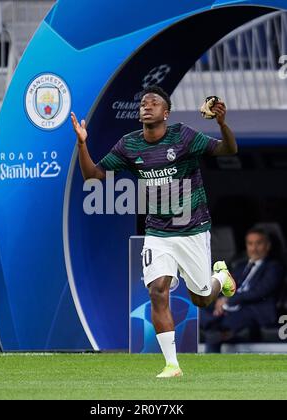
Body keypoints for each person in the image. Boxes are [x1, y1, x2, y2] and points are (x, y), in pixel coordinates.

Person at [71, 85, 238, 377]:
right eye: (143, 103)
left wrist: (222, 124)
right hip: (158, 232)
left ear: (166, 112)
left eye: (154, 102)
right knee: (157, 291)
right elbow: (93, 175)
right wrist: (82, 144)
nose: (146, 106)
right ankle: (172, 365)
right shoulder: (129, 145)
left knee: (200, 298)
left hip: (192, 230)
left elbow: (228, 149)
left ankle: (219, 276)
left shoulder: (183, 136)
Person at [201, 227, 285, 353]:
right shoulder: (240, 266)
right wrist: (221, 302)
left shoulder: (274, 267)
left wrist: (228, 301)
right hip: (232, 308)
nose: (254, 248)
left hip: (255, 310)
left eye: (258, 243)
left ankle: (218, 331)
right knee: (201, 310)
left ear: (267, 246)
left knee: (218, 327)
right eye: (250, 244)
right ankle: (220, 332)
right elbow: (227, 287)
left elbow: (259, 292)